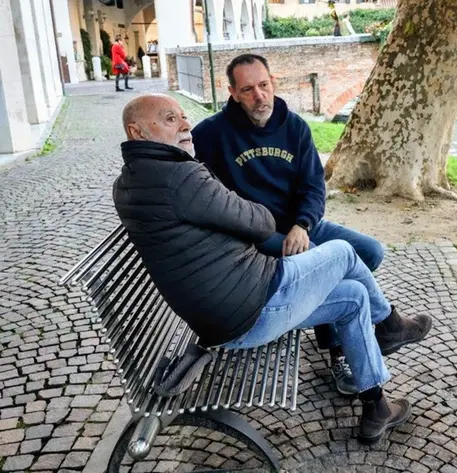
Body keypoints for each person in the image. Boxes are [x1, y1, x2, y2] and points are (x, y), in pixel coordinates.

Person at [112, 93, 433, 444]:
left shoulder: (130, 182)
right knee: (342, 252)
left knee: (354, 296)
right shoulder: (179, 177)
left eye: (183, 116)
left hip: (230, 309)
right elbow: (262, 222)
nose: (186, 124)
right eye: (170, 119)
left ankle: (377, 407)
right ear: (138, 131)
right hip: (251, 306)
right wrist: (230, 200)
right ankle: (389, 324)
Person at [190, 53, 405, 396]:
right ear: (232, 92)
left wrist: (303, 225)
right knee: (337, 270)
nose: (259, 96)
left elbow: (313, 188)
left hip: (300, 227)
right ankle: (339, 352)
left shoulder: (295, 128)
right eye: (248, 90)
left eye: (263, 85)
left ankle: (335, 326)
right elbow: (184, 169)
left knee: (369, 252)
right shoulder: (213, 134)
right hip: (261, 237)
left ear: (273, 82)